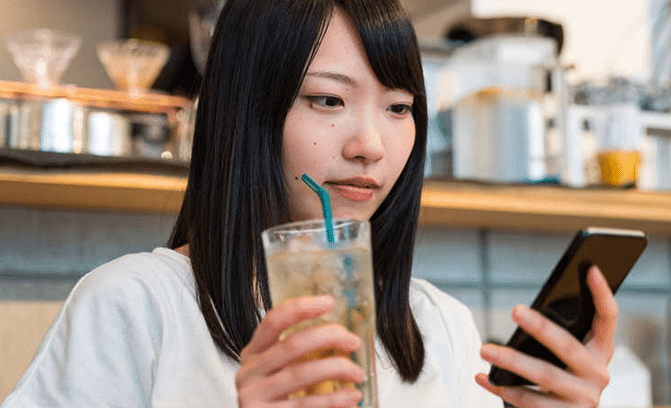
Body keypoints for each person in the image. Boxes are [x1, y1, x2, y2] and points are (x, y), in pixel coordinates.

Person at [1, 0, 617, 407]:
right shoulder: (135, 306)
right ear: (249, 111)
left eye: (399, 107)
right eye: (328, 99)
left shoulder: (439, 328)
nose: (370, 144)